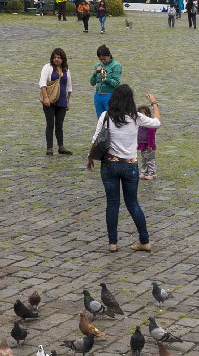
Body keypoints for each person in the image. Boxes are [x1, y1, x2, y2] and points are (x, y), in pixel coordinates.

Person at [86, 85, 160, 252]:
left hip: (110, 164)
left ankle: (113, 243)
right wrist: (154, 104)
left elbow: (96, 139)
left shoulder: (106, 116)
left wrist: (90, 158)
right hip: (130, 165)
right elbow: (156, 123)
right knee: (132, 203)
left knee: (112, 204)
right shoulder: (136, 117)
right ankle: (145, 240)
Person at [38, 47, 72, 156]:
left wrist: (67, 101)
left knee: (59, 125)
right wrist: (46, 98)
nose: (56, 59)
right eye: (55, 57)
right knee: (50, 124)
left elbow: (69, 87)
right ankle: (49, 148)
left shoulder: (66, 70)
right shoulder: (47, 68)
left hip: (62, 101)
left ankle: (61, 147)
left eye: (59, 57)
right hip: (50, 101)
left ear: (63, 59)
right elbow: (42, 83)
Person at [90, 45, 123, 118]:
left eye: (104, 59)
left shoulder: (116, 65)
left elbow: (116, 83)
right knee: (100, 119)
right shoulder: (98, 65)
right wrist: (94, 74)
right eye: (100, 59)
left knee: (111, 118)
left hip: (110, 95)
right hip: (98, 96)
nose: (102, 61)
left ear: (109, 55)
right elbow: (92, 83)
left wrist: (105, 79)